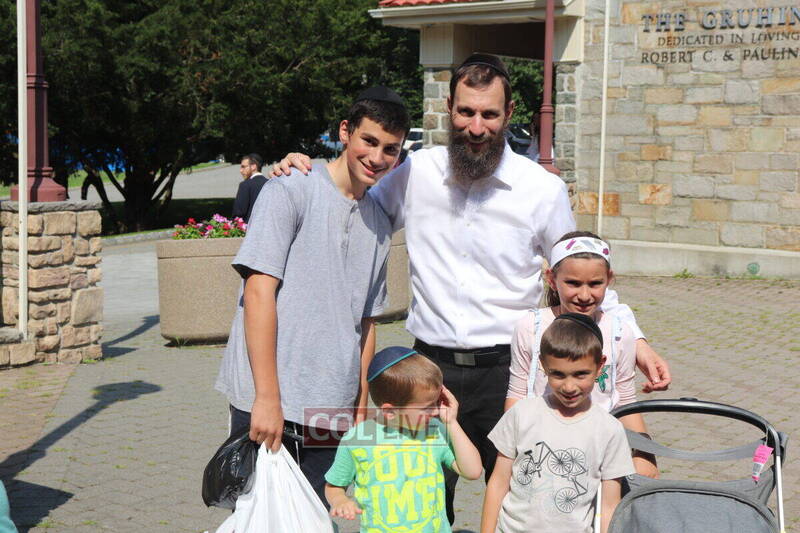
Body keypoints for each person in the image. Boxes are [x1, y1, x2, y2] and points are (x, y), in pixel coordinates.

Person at [270, 53, 670, 522]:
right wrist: (308, 173)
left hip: (512, 372)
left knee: (524, 498)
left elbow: (578, 273)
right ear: (449, 108)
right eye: (465, 112)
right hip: (427, 370)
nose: (476, 127)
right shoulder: (414, 173)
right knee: (419, 500)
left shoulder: (540, 189)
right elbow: (352, 199)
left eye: (489, 114)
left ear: (509, 114)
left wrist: (634, 338)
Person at [215, 86, 410, 505]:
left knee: (320, 516)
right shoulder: (291, 188)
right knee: (261, 519)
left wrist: (360, 410)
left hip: (331, 407)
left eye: (390, 149)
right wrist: (267, 398)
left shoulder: (380, 223)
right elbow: (258, 293)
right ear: (345, 131)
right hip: (270, 398)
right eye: (369, 140)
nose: (377, 157)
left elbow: (365, 322)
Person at [505, 231, 658, 477]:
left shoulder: (619, 333)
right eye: (573, 283)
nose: (585, 295)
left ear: (609, 279)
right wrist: (509, 456)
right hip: (541, 450)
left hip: (600, 454)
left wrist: (644, 454)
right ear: (552, 279)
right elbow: (517, 394)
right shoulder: (530, 327)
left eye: (595, 284)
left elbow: (625, 400)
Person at [481, 313, 635, 533]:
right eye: (558, 375)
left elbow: (609, 506)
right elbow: (498, 482)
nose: (569, 387)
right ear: (543, 365)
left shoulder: (609, 430)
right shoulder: (521, 414)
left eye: (580, 374)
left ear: (600, 365)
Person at [325, 346, 482, 532]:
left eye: (436, 402)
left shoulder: (434, 430)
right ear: (390, 411)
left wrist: (451, 422)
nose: (435, 411)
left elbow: (473, 471)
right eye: (427, 407)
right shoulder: (357, 439)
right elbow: (334, 486)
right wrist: (340, 500)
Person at [231, 153, 267, 223]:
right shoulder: (269, 183)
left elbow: (239, 213)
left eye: (243, 167)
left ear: (253, 167)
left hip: (249, 227)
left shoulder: (245, 185)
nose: (241, 170)